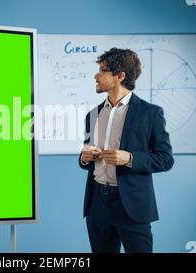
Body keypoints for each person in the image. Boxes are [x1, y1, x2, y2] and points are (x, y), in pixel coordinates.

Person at [79, 48, 174, 253]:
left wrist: (129, 158)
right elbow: (86, 160)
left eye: (102, 70)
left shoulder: (150, 113)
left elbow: (166, 159)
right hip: (97, 204)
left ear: (120, 76)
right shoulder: (92, 115)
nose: (96, 75)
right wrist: (85, 158)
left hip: (131, 206)